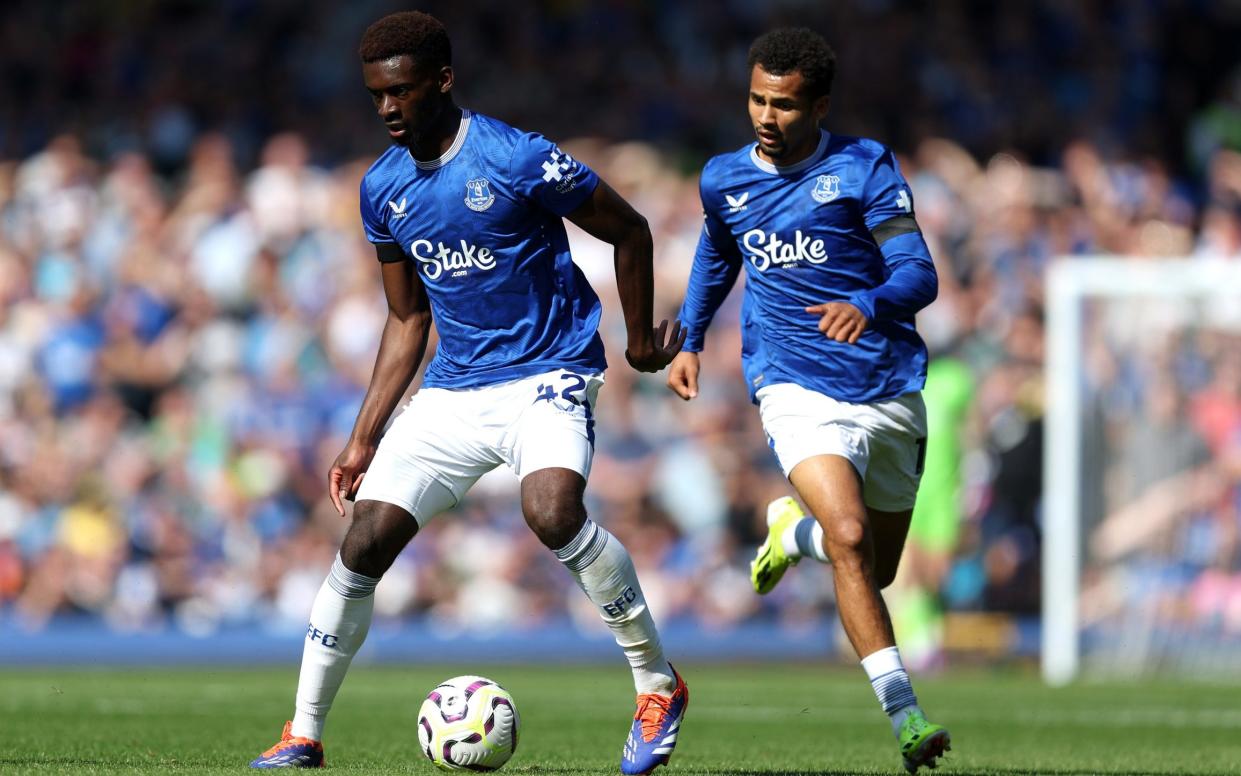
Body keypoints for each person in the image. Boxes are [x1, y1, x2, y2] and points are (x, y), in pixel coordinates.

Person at [251, 11, 688, 773]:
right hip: (455, 391)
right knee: (363, 541)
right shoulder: (383, 188)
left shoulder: (514, 157)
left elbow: (630, 228)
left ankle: (657, 684)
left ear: (442, 81)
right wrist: (364, 436)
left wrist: (642, 340)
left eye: (403, 91)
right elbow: (406, 316)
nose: (388, 108)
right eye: (376, 95)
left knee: (551, 511)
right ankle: (303, 733)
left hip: (547, 372)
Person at [665, 27, 949, 774]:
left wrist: (872, 299)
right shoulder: (724, 177)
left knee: (872, 567)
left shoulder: (864, 169)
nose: (766, 116)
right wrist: (690, 337)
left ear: (818, 105)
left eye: (784, 105)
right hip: (791, 384)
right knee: (851, 538)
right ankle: (906, 719)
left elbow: (919, 274)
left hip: (886, 387)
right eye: (757, 99)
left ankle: (794, 536)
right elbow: (717, 251)